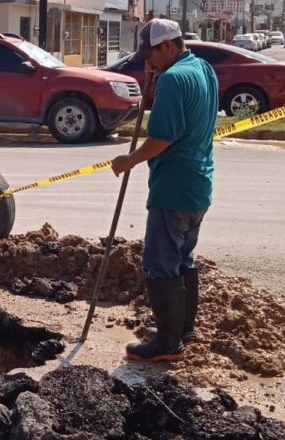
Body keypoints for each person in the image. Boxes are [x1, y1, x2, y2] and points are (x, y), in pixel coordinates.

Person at [111, 19, 219, 362]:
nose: (149, 61)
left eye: (152, 54)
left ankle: (167, 344)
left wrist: (128, 161)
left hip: (172, 188)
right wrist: (153, 78)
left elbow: (160, 139)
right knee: (183, 260)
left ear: (170, 45)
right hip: (198, 184)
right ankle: (183, 331)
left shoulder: (173, 79)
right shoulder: (202, 68)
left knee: (160, 264)